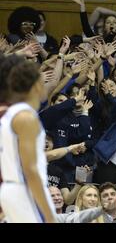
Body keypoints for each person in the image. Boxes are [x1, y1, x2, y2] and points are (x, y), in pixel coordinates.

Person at [0, 59, 56, 223]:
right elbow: (30, 170)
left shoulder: (10, 113)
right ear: (36, 85)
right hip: (25, 190)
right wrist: (49, 216)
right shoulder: (26, 118)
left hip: (13, 189)